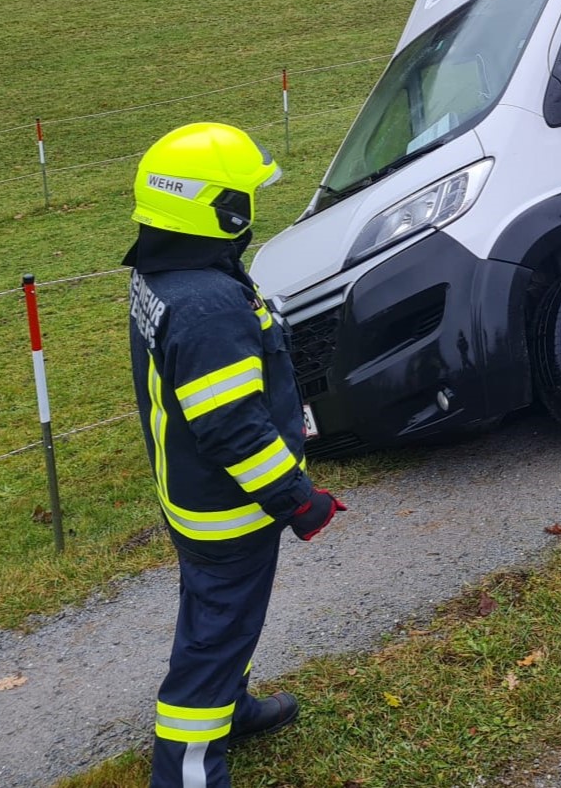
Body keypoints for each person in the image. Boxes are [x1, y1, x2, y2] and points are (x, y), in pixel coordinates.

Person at [125, 122, 346, 788]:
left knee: (223, 618)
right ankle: (190, 763)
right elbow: (234, 431)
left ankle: (231, 704)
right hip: (229, 509)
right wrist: (297, 499)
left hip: (191, 495)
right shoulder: (208, 306)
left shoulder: (167, 272)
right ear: (220, 210)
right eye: (245, 198)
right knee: (214, 635)